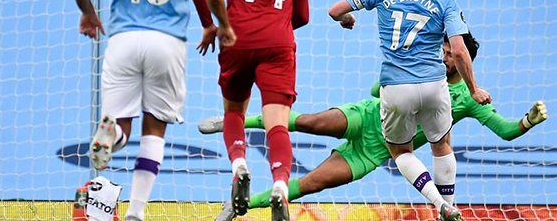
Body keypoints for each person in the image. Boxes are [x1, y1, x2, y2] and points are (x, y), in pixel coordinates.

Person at [199, 33, 547, 221]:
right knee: (309, 121)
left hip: (374, 152)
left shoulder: (468, 98)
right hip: (366, 115)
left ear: (463, 61)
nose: (443, 57)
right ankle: (233, 122)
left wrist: (527, 121)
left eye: (451, 54)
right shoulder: (420, 67)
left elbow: (505, 130)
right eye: (443, 50)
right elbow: (374, 91)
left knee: (308, 185)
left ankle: (237, 206)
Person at [70, 0, 235, 220]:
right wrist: (222, 26)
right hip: (166, 42)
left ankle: (110, 137)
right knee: (155, 127)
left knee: (121, 125)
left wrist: (88, 14)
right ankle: (136, 212)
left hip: (124, 40)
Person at [328, 0, 491, 221]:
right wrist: (473, 89)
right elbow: (460, 51)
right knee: (441, 144)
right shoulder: (444, 0)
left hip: (396, 85)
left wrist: (346, 20)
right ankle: (448, 208)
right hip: (433, 84)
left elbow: (335, 10)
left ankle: (439, 204)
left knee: (400, 150)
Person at [190, 0, 309, 221]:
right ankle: (281, 188)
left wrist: (210, 24)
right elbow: (302, 16)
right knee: (278, 125)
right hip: (278, 45)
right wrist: (275, 27)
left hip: (236, 39)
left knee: (234, 113)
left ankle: (239, 165)